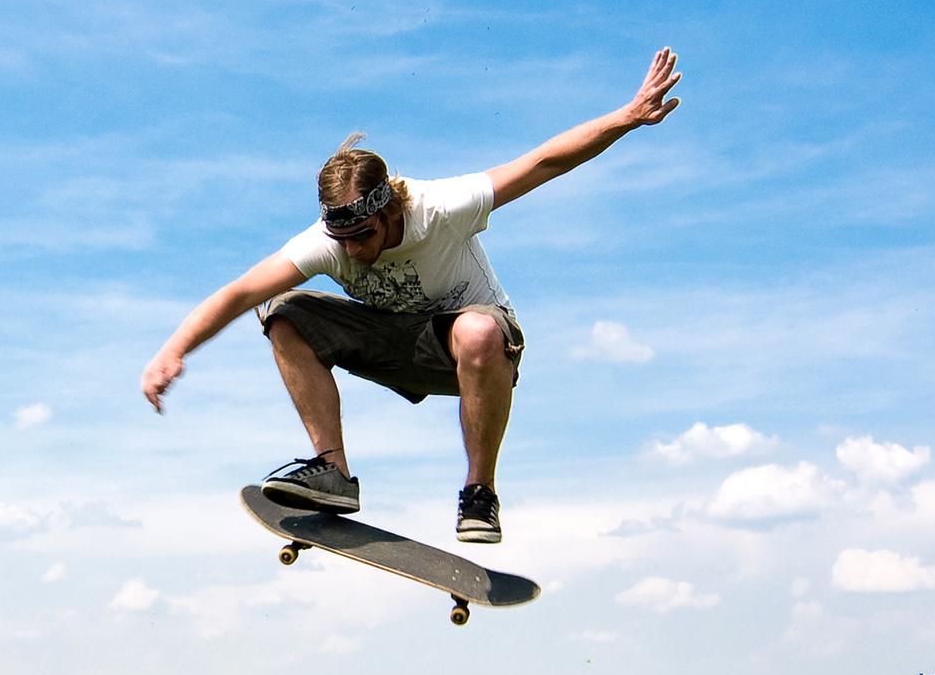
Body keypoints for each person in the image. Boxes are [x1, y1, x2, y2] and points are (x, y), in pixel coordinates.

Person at [140, 48, 682, 544]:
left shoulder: (442, 206)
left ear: (388, 211)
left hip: (472, 354)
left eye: (363, 238)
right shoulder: (327, 242)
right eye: (342, 241)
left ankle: (480, 494)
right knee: (284, 310)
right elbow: (239, 291)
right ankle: (332, 472)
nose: (351, 253)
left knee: (477, 330)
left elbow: (543, 163)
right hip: (394, 345)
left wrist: (627, 117)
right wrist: (174, 349)